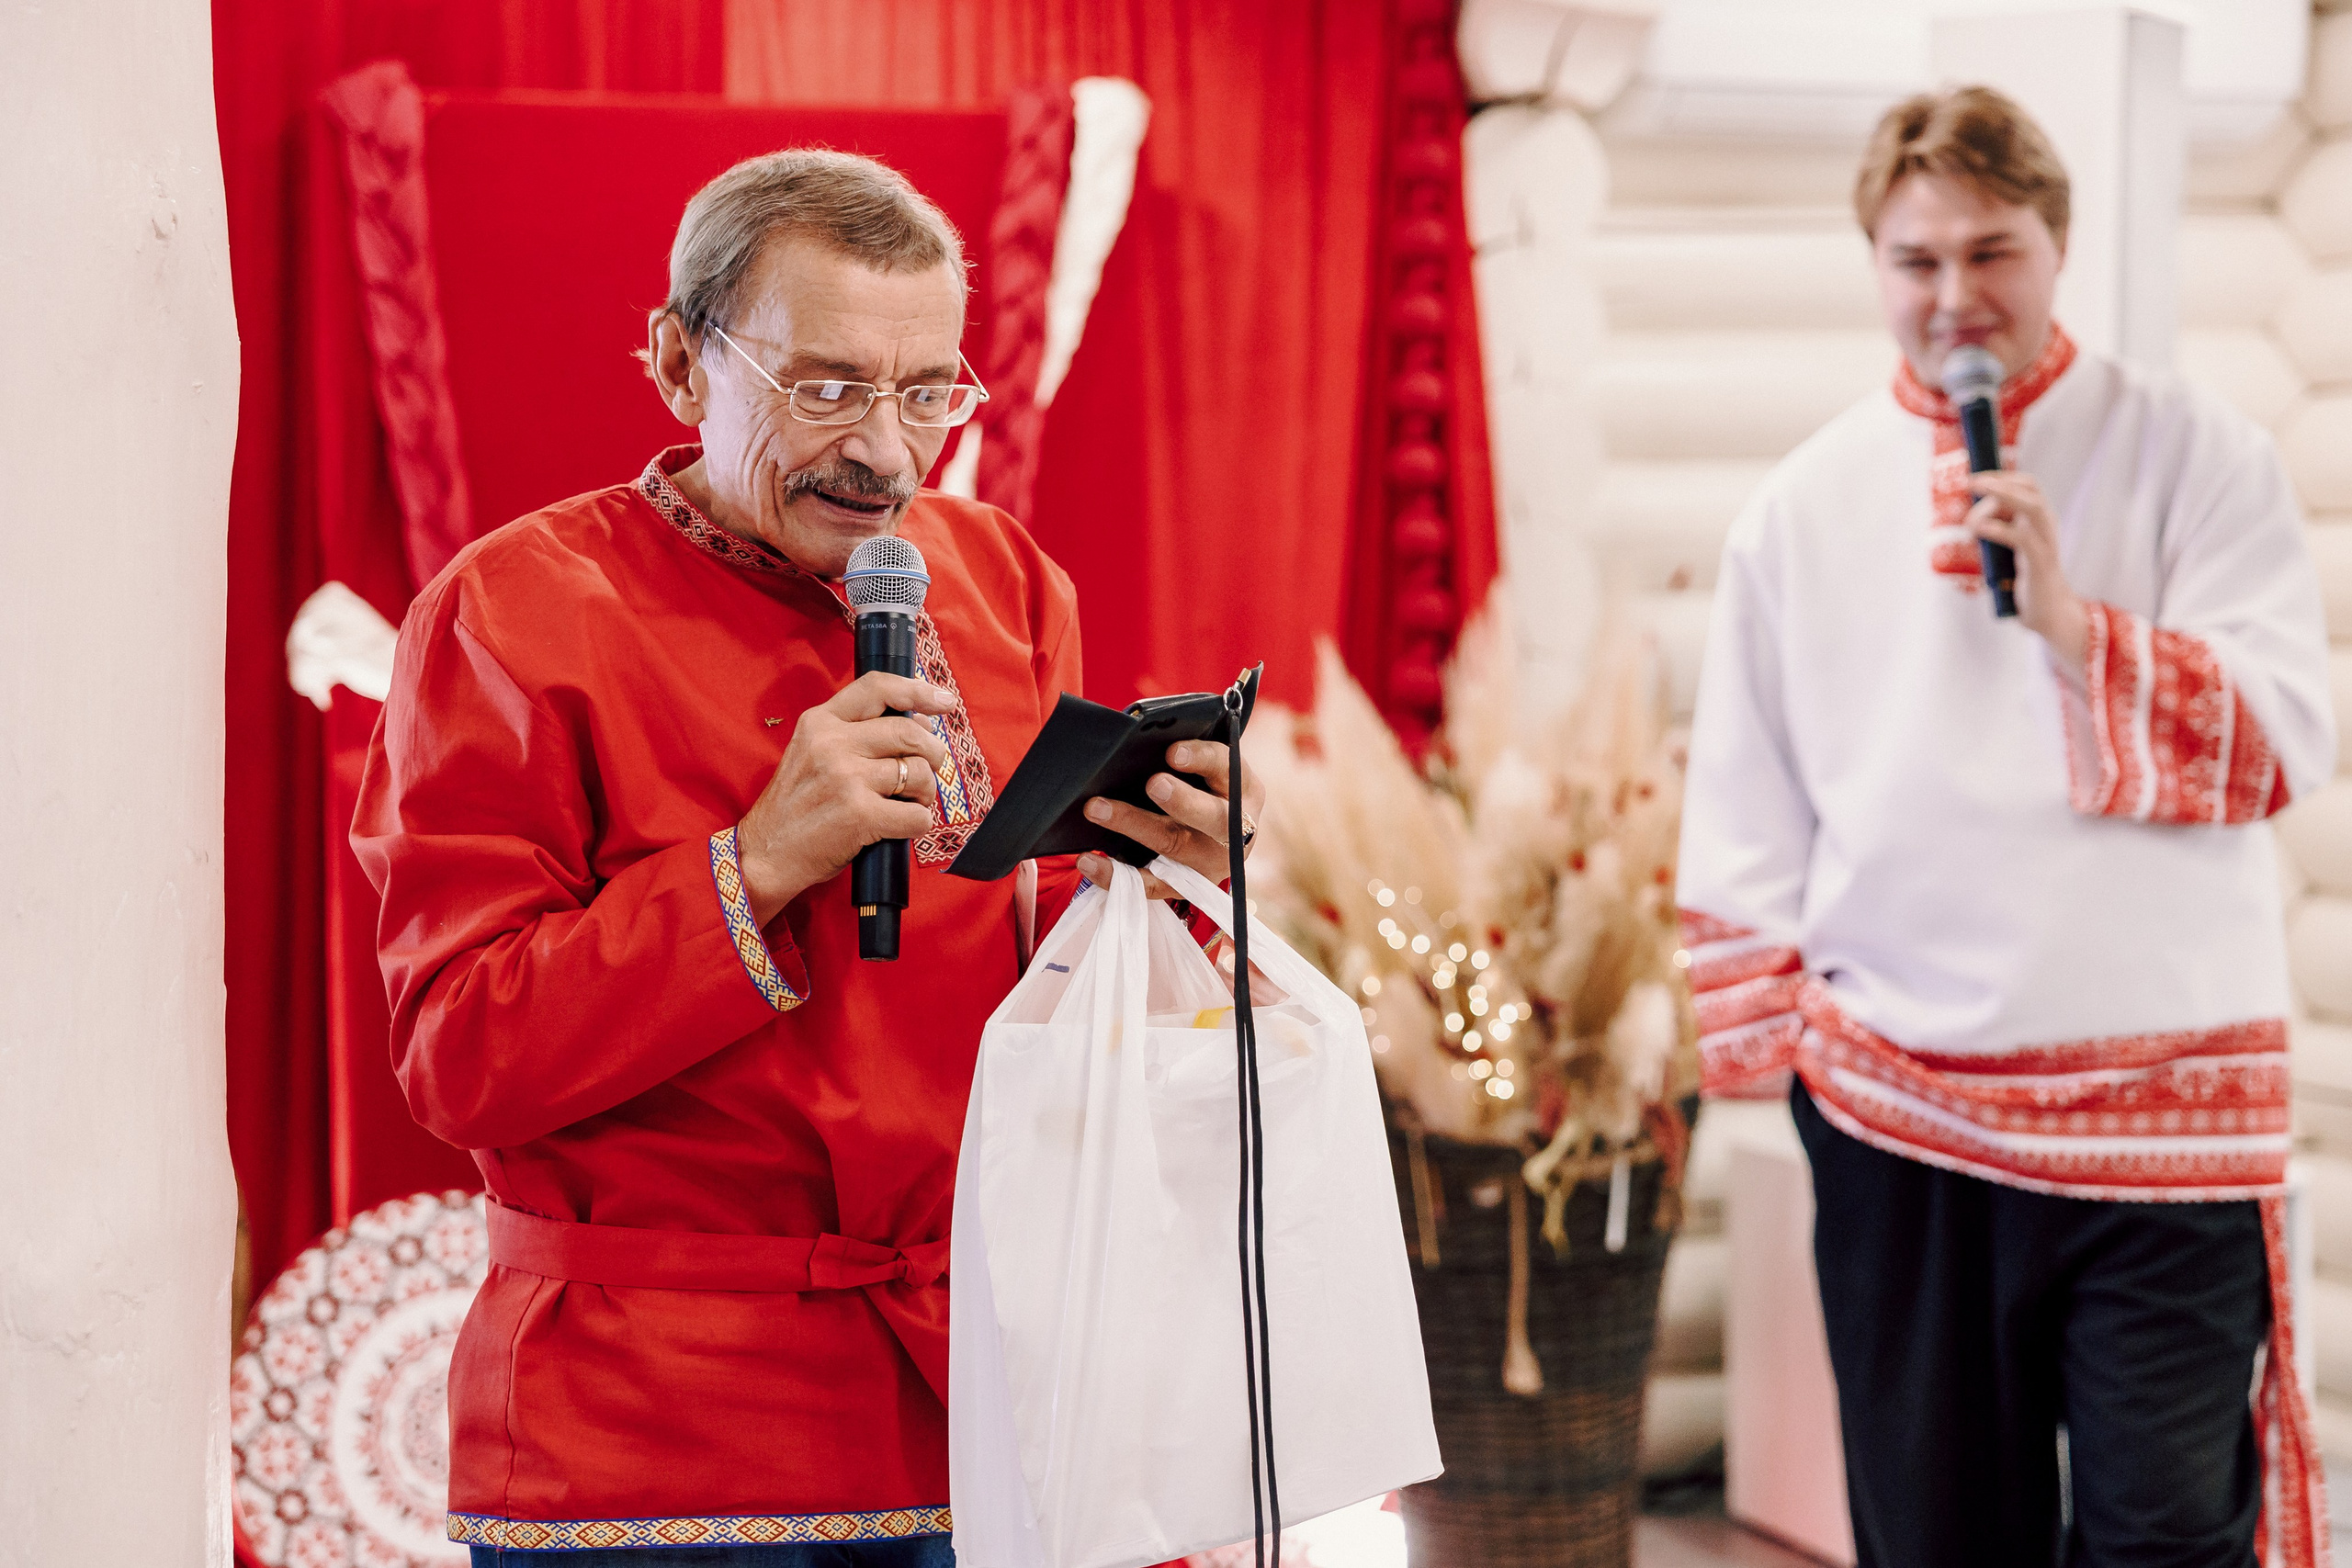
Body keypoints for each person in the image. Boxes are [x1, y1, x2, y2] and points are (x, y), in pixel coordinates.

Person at [353, 149, 1259, 1566]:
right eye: (827, 390)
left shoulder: (1007, 584)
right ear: (678, 363)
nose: (886, 455)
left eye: (928, 394)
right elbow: (457, 1056)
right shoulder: (511, 613)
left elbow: (1037, 989)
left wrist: (1165, 881)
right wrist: (759, 863)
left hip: (985, 1395)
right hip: (652, 1430)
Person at [1677, 87, 2336, 1567]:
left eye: (1993, 252)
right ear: (1874, 263)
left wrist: (2072, 626)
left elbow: (2284, 742)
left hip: (2164, 1124)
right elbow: (1746, 805)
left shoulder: (2199, 455)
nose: (1954, 296)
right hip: (1905, 1113)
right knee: (1936, 1540)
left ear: (2058, 245)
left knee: (2167, 1539)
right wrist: (1776, 1065)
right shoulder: (1800, 509)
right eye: (1916, 261)